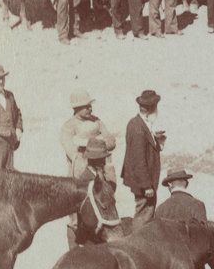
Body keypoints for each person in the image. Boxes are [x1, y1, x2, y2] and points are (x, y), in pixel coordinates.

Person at [121, 89, 165, 218]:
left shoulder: (139, 123)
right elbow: (138, 160)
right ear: (152, 108)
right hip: (143, 183)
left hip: (143, 181)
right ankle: (138, 237)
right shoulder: (138, 128)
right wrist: (146, 186)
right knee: (143, 216)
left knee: (146, 213)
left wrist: (155, 139)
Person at [59, 90, 115, 181]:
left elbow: (111, 142)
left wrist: (89, 145)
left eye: (90, 106)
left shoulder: (96, 121)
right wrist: (99, 144)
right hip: (80, 175)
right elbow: (74, 154)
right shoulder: (68, 127)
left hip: (102, 171)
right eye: (87, 107)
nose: (91, 109)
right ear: (77, 108)